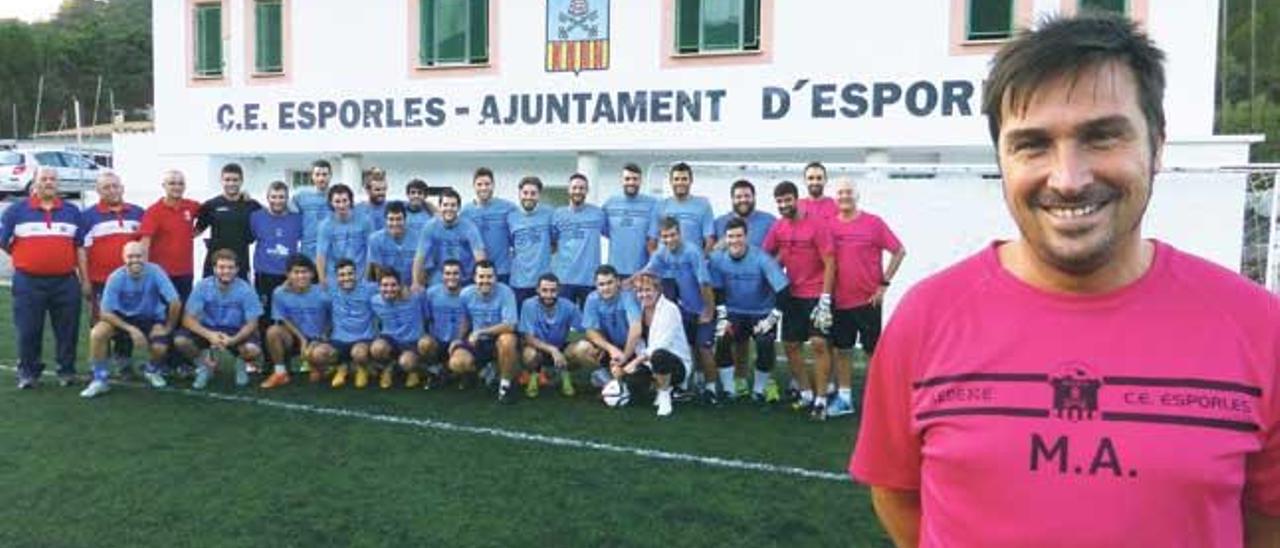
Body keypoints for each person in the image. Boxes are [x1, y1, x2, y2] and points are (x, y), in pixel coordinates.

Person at [851, 15, 1280, 547]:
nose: (1068, 179)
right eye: (1032, 145)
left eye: (1102, 137)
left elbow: (1268, 521)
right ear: (1002, 161)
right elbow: (898, 495)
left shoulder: (1259, 327)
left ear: (1158, 146)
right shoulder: (925, 318)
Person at [827, 177, 905, 417]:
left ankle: (877, 402)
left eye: (848, 192)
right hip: (839, 301)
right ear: (835, 198)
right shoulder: (829, 225)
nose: (844, 197)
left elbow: (899, 251)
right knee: (842, 350)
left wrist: (883, 285)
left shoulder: (873, 223)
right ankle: (844, 398)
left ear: (856, 195)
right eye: (840, 193)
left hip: (868, 301)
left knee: (873, 351)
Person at [0, 167, 84, 388]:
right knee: (28, 329)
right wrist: (24, 257)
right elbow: (3, 240)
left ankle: (66, 371)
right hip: (28, 281)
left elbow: (80, 247)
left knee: (68, 330)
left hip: (65, 281)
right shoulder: (16, 211)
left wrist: (84, 280)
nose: (48, 182)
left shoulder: (72, 211)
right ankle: (28, 373)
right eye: (44, 179)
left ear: (58, 183)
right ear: (35, 183)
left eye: (52, 179)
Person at [762, 181, 835, 419]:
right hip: (792, 295)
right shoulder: (778, 227)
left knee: (818, 345)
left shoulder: (817, 225)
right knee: (791, 345)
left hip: (815, 295)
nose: (784, 205)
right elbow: (765, 256)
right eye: (780, 202)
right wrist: (775, 276)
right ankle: (805, 393)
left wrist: (825, 298)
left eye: (787, 200)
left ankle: (822, 399)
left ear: (797, 199)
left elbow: (830, 262)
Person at [707, 218, 789, 403]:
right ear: (725, 239)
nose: (735, 240)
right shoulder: (717, 258)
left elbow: (783, 290)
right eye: (730, 236)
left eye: (739, 236)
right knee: (721, 337)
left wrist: (771, 319)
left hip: (761, 313)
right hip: (733, 312)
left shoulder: (762, 258)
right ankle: (729, 390)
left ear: (747, 237)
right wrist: (722, 317)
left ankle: (758, 390)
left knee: (765, 342)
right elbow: (717, 290)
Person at [83, 241, 181, 396]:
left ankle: (151, 369)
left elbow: (175, 301)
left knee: (160, 346)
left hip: (150, 318)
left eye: (139, 256)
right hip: (123, 320)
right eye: (130, 256)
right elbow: (105, 312)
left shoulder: (156, 271)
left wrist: (168, 327)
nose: (135, 260)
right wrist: (132, 329)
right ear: (123, 258)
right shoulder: (115, 277)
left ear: (146, 257)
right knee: (97, 333)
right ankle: (99, 379)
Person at [641, 217, 717, 403]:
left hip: (702, 307)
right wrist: (625, 284)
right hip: (685, 309)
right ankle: (692, 383)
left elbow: (704, 283)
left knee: (704, 348)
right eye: (665, 237)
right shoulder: (662, 252)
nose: (669, 240)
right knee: (688, 346)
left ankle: (711, 389)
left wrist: (708, 310)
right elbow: (646, 272)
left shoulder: (692, 251)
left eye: (672, 235)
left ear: (679, 233)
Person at [76, 171, 145, 375]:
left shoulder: (138, 213)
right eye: (106, 187)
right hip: (100, 281)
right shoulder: (88, 217)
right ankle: (99, 366)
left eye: (115, 186)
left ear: (122, 188)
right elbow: (82, 252)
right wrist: (85, 281)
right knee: (101, 324)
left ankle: (124, 362)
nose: (112, 190)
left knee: (126, 320)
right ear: (98, 191)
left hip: (130, 281)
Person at [173, 249, 264, 390]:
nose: (226, 271)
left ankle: (241, 363)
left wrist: (232, 340)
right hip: (209, 328)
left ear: (237, 269)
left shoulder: (246, 289)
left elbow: (253, 323)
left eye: (230, 268)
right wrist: (209, 335)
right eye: (221, 267)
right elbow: (187, 319)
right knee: (180, 341)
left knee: (253, 349)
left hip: (235, 331)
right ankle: (205, 366)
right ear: (214, 269)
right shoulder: (203, 286)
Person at [614, 272, 691, 417]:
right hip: (649, 363)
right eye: (640, 291)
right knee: (632, 382)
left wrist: (635, 362)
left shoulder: (670, 309)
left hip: (674, 363)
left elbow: (661, 344)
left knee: (659, 355)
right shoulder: (639, 310)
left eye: (648, 290)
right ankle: (657, 386)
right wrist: (623, 363)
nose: (644, 295)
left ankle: (664, 395)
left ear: (658, 290)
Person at [451, 260, 519, 403]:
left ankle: (505, 386)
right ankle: (481, 372)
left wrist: (482, 332)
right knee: (456, 363)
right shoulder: (466, 294)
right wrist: (458, 338)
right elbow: (465, 319)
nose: (485, 280)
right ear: (475, 278)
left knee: (507, 340)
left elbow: (510, 325)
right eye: (481, 276)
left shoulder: (506, 292)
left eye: (489, 276)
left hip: (497, 339)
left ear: (496, 278)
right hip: (478, 342)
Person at [261, 254, 331, 389]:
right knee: (273, 332)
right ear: (288, 275)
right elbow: (283, 319)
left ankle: (320, 366)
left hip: (320, 339)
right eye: (296, 272)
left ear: (312, 273)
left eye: (304, 272)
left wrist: (321, 338)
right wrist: (302, 339)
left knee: (317, 367)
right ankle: (280, 373)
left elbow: (333, 319)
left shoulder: (324, 293)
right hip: (296, 338)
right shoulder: (279, 293)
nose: (300, 276)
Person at [565, 265, 642, 385]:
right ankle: (607, 376)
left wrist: (625, 356)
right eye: (601, 284)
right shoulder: (592, 299)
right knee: (581, 349)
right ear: (596, 285)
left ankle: (625, 374)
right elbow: (590, 331)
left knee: (639, 381)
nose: (606, 288)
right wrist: (610, 349)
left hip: (631, 347)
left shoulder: (627, 296)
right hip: (610, 348)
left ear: (618, 282)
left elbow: (636, 329)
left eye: (609, 283)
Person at [249, 181, 303, 333]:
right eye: (274, 197)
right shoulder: (256, 217)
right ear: (267, 198)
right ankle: (267, 355)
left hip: (288, 276)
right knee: (264, 316)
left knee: (288, 316)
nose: (277, 201)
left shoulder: (297, 219)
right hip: (264, 275)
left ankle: (287, 352)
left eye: (281, 197)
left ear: (287, 199)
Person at [140, 169, 200, 306]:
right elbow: (145, 242)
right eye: (172, 183)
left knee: (184, 310)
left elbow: (210, 212)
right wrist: (142, 269)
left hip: (185, 271)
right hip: (161, 273)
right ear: (164, 186)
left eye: (180, 183)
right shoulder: (154, 211)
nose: (177, 187)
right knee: (162, 313)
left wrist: (195, 232)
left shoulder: (191, 206)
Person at [517, 274, 583, 398]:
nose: (548, 295)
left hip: (561, 347)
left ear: (559, 290)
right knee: (528, 355)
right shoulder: (528, 305)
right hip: (538, 348)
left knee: (584, 349)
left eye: (553, 291)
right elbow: (528, 337)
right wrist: (552, 350)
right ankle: (534, 376)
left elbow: (586, 329)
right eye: (544, 290)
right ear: (537, 290)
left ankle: (565, 374)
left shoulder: (568, 306)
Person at [196, 163, 261, 279]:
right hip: (215, 265)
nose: (231, 183)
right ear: (221, 181)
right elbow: (196, 231)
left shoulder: (251, 205)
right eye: (227, 180)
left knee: (240, 297)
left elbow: (272, 215)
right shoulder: (211, 205)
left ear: (241, 181)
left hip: (240, 264)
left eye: (235, 180)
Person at [551, 173, 607, 306]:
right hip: (564, 279)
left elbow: (611, 234)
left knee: (589, 323)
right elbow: (552, 243)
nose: (578, 191)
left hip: (590, 279)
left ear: (587, 190)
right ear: (568, 189)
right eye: (574, 188)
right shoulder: (557, 215)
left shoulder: (598, 214)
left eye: (582, 188)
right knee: (563, 322)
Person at [413, 188, 486, 288]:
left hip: (465, 277)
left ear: (459, 208)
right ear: (440, 207)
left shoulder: (469, 227)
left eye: (453, 205)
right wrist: (415, 282)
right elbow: (420, 256)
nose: (449, 208)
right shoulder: (430, 227)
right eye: (445, 205)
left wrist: (481, 280)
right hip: (440, 276)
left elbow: (479, 256)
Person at [369, 268, 428, 389]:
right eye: (385, 285)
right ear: (379, 287)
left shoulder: (416, 297)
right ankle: (388, 367)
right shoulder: (374, 301)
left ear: (400, 286)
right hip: (391, 341)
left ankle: (414, 370)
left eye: (393, 285)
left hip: (411, 341)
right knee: (377, 348)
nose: (389, 289)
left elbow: (427, 317)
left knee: (406, 362)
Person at [325, 259, 377, 389]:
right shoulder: (330, 289)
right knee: (318, 354)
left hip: (363, 338)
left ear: (356, 274)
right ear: (336, 277)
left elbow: (390, 286)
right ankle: (342, 368)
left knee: (358, 353)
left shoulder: (370, 288)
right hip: (339, 339)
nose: (346, 278)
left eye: (350, 274)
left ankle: (361, 368)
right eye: (342, 275)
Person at [460, 167, 517, 284]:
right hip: (476, 273)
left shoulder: (509, 208)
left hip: (502, 271)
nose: (483, 188)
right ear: (474, 186)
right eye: (479, 184)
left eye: (487, 184)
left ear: (493, 185)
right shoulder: (466, 212)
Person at [418, 259, 469, 387]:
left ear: (462, 275)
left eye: (455, 273)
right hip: (439, 340)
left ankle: (464, 373)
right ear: (442, 275)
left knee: (460, 361)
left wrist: (461, 339)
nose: (451, 277)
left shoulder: (469, 294)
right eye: (447, 273)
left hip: (460, 341)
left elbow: (471, 321)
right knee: (424, 343)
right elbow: (426, 318)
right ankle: (435, 371)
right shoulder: (431, 293)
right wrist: (428, 335)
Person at [602, 163, 658, 277]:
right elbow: (606, 231)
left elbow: (653, 240)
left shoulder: (652, 204)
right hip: (615, 271)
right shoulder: (610, 203)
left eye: (635, 179)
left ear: (640, 181)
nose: (631, 182)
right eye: (627, 179)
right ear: (622, 181)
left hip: (642, 270)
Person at [507, 175, 555, 305]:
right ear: (519, 193)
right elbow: (511, 244)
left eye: (533, 193)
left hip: (542, 282)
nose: (529, 196)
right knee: (520, 322)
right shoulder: (511, 217)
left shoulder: (550, 214)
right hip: (519, 282)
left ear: (539, 195)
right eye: (525, 193)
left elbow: (555, 242)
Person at [315, 184, 373, 287]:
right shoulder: (325, 226)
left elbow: (370, 252)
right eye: (337, 201)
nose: (341, 205)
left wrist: (365, 278)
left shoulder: (365, 221)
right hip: (334, 280)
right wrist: (322, 280)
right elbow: (321, 255)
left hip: (359, 278)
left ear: (350, 201)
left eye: (345, 200)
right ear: (331, 203)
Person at [649, 162, 715, 253]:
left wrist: (700, 262)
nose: (680, 182)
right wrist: (656, 262)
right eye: (676, 179)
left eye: (684, 179)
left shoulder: (703, 205)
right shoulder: (660, 206)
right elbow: (652, 240)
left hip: (691, 264)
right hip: (666, 265)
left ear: (691, 181)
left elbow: (709, 240)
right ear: (671, 181)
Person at [713, 179, 775, 248]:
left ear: (754, 197)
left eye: (747, 196)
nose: (743, 200)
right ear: (732, 199)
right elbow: (710, 252)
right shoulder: (719, 223)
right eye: (738, 197)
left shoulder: (770, 221)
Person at [366, 202, 418, 284]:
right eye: (391, 219)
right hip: (388, 287)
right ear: (385, 220)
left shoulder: (418, 239)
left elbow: (420, 269)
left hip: (410, 287)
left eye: (398, 219)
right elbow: (378, 272)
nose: (395, 223)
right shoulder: (375, 240)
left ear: (405, 219)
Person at [291, 159, 333, 259]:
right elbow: (282, 208)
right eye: (317, 174)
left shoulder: (337, 196)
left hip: (332, 250)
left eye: (324, 174)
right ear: (312, 176)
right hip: (308, 251)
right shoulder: (301, 196)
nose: (321, 178)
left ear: (330, 175)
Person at [355, 167, 390, 232]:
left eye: (384, 189)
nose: (382, 193)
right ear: (367, 190)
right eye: (377, 190)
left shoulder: (392, 209)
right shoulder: (358, 210)